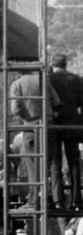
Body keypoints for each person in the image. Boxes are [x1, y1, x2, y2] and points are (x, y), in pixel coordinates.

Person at [10, 70, 62, 210]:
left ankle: (34, 201)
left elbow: (15, 109)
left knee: (32, 165)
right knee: (52, 163)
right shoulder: (44, 80)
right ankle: (58, 200)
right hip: (48, 125)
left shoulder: (17, 84)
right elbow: (56, 101)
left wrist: (27, 118)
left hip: (30, 128)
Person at [50, 53, 83, 210]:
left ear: (53, 64)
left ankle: (58, 200)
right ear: (66, 64)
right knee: (74, 163)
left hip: (54, 124)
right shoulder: (76, 79)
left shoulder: (49, 79)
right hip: (73, 124)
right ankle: (77, 200)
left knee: (55, 162)